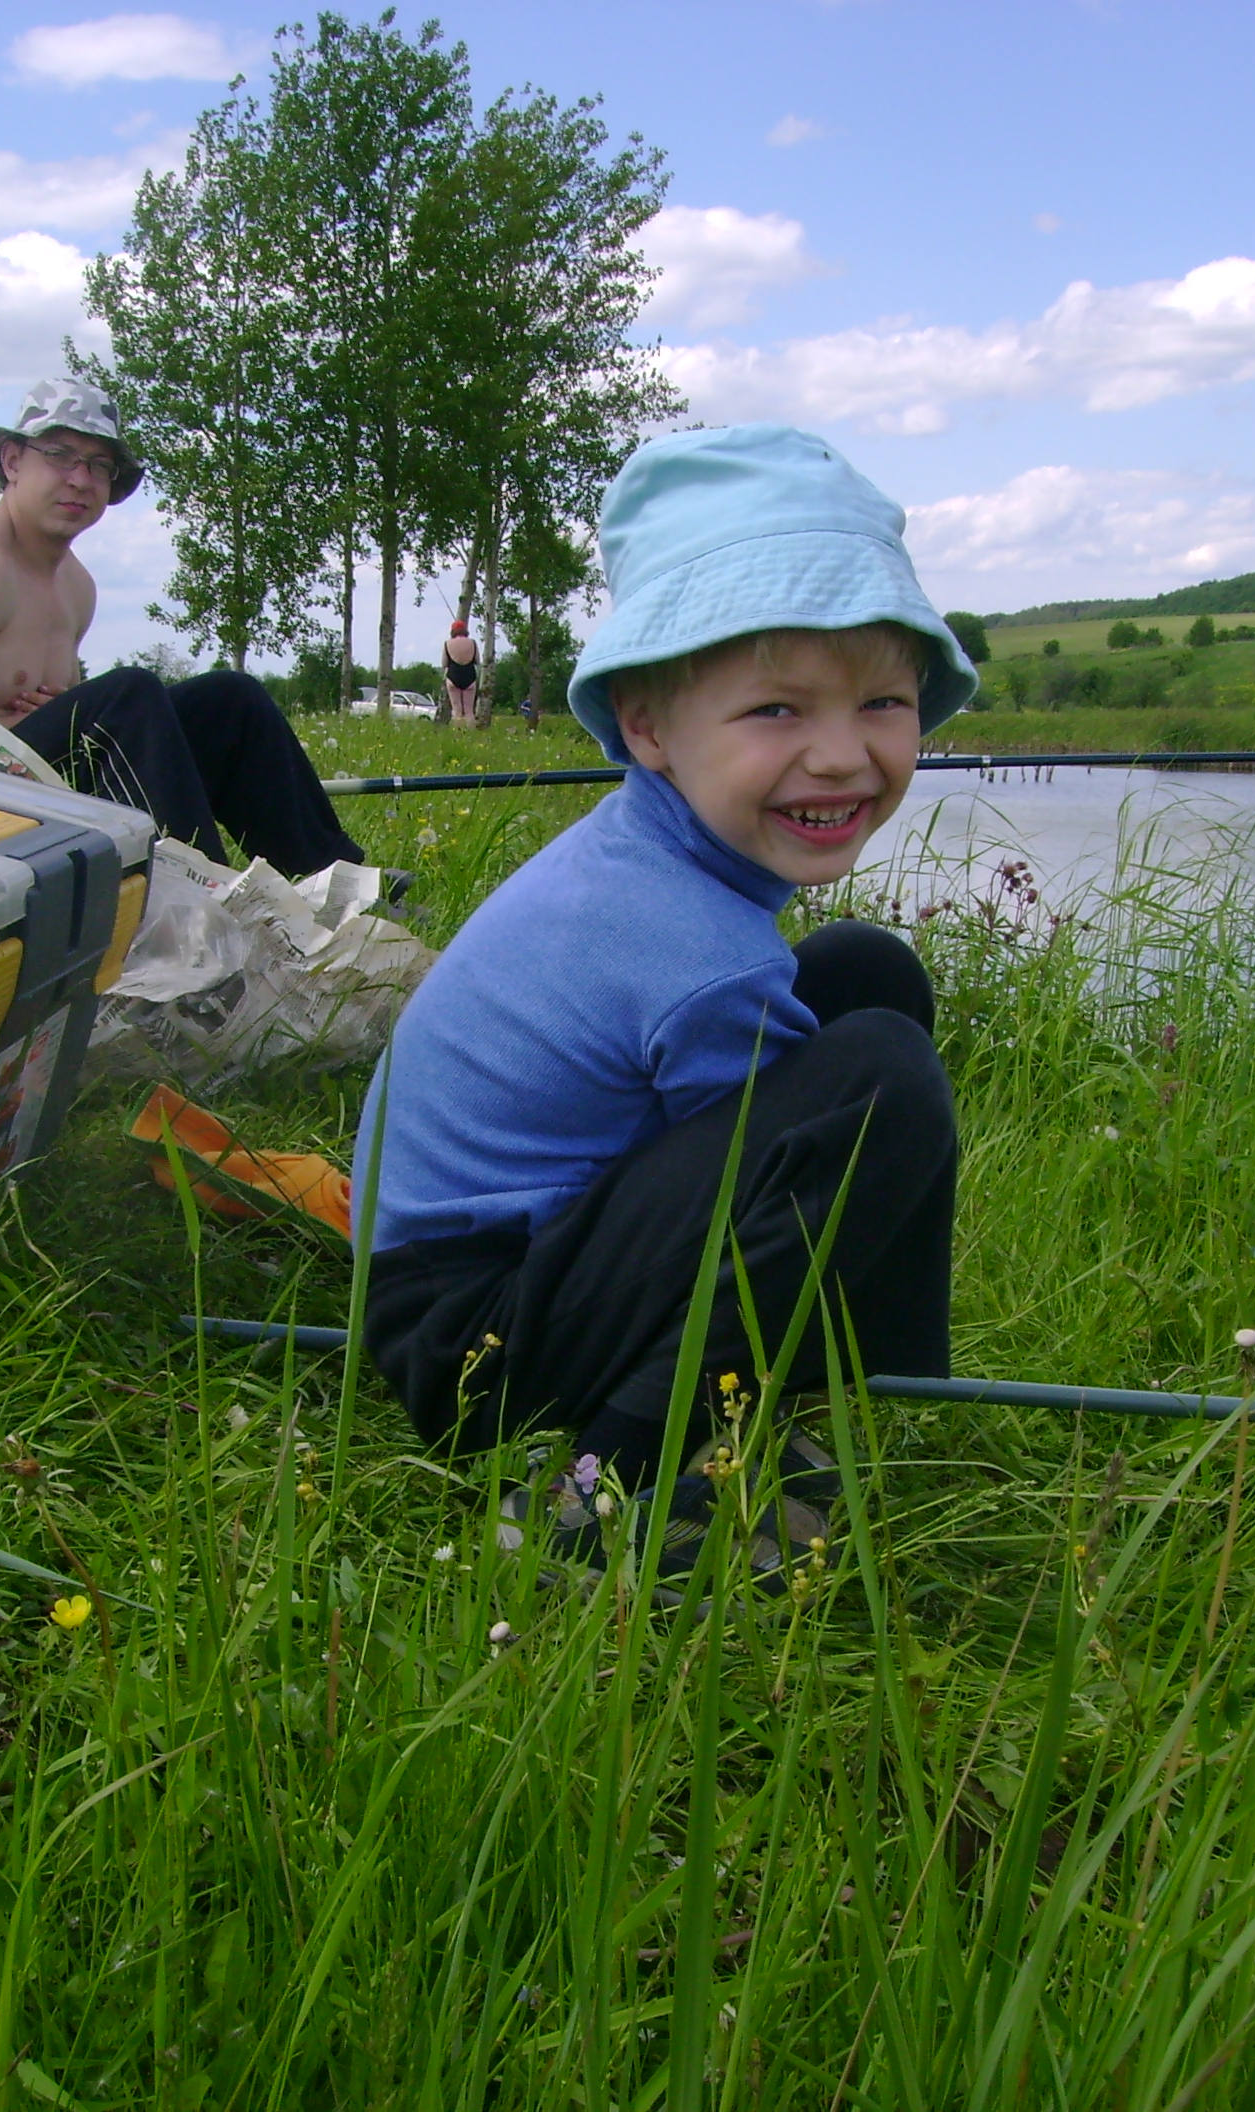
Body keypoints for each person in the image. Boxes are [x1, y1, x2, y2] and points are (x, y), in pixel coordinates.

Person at [353, 424, 978, 1590]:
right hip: (469, 1345)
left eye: (882, 702)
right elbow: (767, 1202)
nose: (840, 755)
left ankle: (800, 1393)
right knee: (880, 1085)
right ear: (646, 726)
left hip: (481, 1281)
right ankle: (604, 1487)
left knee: (861, 975)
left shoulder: (649, 861)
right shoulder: (691, 948)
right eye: (776, 711)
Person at [0, 377, 364, 879]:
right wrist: (49, 723)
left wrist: (65, 719)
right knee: (129, 694)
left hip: (38, 796)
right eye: (59, 456)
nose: (80, 480)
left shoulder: (75, 585)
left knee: (230, 700)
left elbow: (76, 733)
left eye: (99, 465)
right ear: (13, 462)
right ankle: (207, 895)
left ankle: (339, 882)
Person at [441, 618, 484, 729]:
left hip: (453, 677)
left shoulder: (447, 644)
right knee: (469, 711)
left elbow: (444, 664)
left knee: (457, 710)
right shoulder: (472, 643)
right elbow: (477, 661)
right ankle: (471, 732)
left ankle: (457, 733)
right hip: (470, 677)